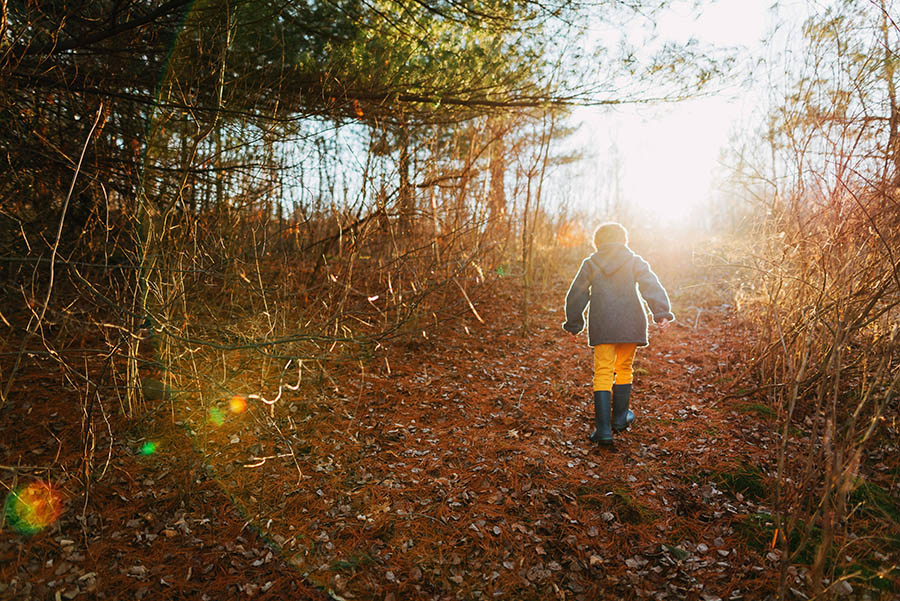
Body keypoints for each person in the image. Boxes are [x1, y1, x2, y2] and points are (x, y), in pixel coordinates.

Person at [562, 222, 674, 445]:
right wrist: (661, 313)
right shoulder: (633, 260)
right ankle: (621, 418)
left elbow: (577, 293)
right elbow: (650, 284)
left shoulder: (591, 263)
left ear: (598, 242)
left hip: (603, 324)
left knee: (603, 372)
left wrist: (574, 323)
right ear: (623, 240)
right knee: (624, 368)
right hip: (631, 322)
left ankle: (604, 431)